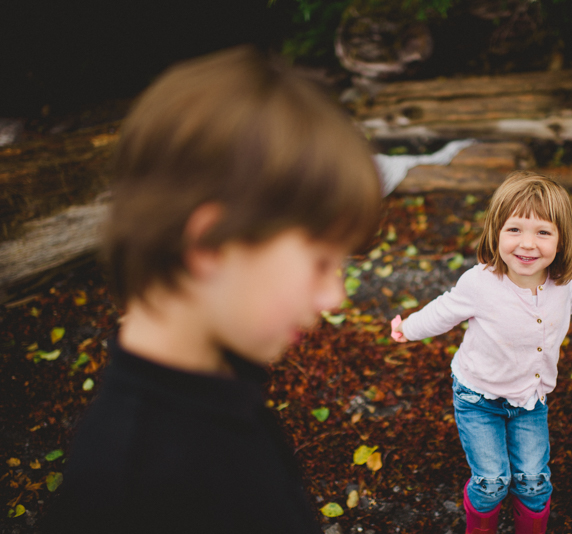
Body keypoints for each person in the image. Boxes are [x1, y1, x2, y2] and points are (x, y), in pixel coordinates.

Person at [42, 46, 382, 533]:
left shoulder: (218, 383)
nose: (335, 298)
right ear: (211, 245)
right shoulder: (133, 492)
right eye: (322, 263)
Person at [391, 171, 572, 534]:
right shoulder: (480, 283)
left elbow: (559, 318)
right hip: (478, 398)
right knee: (493, 481)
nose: (528, 244)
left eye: (543, 232)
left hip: (529, 399)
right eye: (515, 230)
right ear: (496, 232)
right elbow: (443, 310)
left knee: (533, 479)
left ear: (562, 239)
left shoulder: (563, 287)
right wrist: (408, 329)